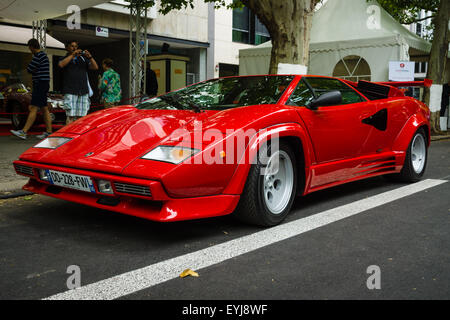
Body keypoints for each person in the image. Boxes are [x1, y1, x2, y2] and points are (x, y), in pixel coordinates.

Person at [11, 39, 52, 140]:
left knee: (33, 108)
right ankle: (49, 132)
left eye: (29, 47)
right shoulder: (44, 55)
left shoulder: (37, 56)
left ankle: (23, 132)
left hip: (39, 84)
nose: (29, 50)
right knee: (44, 108)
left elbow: (29, 69)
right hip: (44, 84)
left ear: (32, 46)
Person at [58, 40, 98, 124]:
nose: (74, 48)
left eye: (76, 46)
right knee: (71, 116)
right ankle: (69, 135)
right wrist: (72, 55)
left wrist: (90, 57)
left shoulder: (82, 59)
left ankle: (79, 135)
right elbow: (61, 65)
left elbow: (95, 67)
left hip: (83, 91)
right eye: (72, 46)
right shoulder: (64, 58)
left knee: (82, 117)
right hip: (70, 91)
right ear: (67, 48)